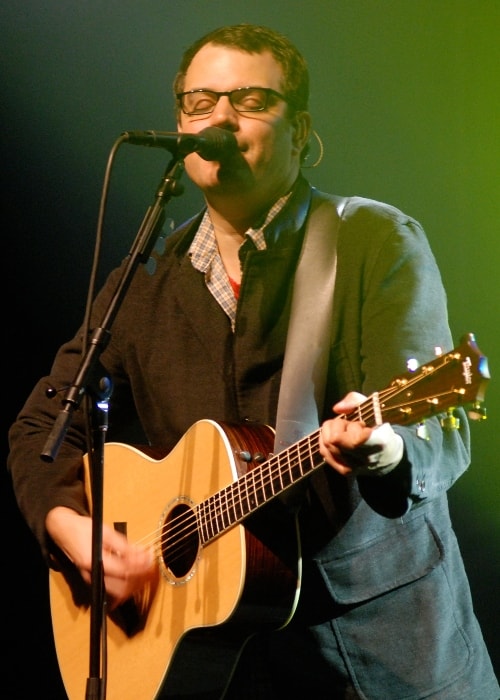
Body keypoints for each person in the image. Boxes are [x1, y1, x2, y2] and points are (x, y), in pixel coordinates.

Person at [7, 23, 499, 700]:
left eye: (248, 101)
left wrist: (385, 450)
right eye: (199, 102)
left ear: (300, 131)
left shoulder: (372, 243)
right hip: (225, 667)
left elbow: (437, 432)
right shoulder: (147, 278)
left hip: (387, 659)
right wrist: (72, 528)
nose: (219, 120)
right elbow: (39, 432)